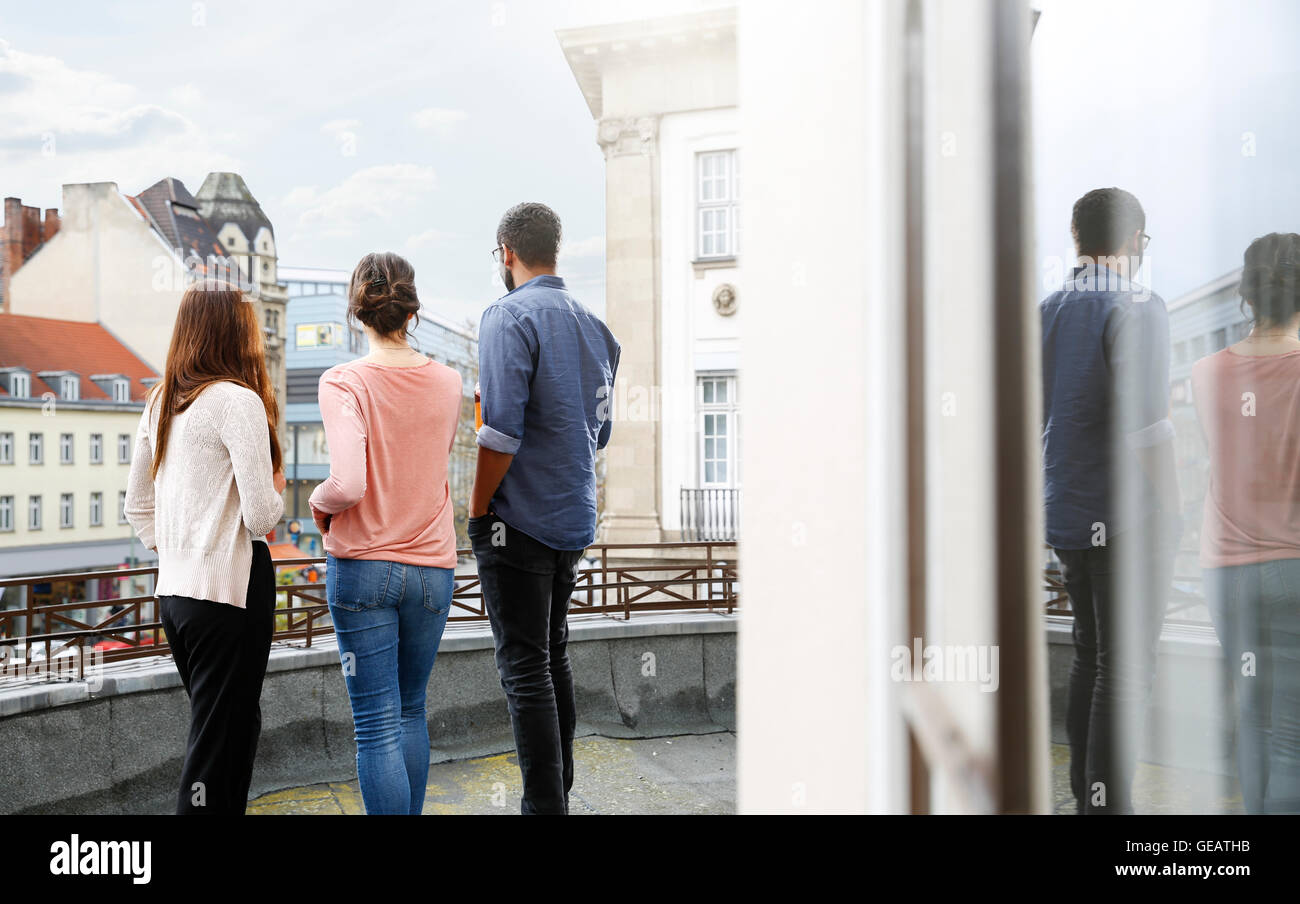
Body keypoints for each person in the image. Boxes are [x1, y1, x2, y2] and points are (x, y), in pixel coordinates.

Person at [470, 202, 620, 814]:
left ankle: (543, 805)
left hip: (519, 521)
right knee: (552, 655)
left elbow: (500, 434)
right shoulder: (597, 329)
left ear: (507, 252)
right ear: (554, 250)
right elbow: (600, 433)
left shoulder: (507, 316)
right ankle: (558, 792)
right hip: (572, 519)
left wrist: (477, 512)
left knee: (524, 667)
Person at [1040, 187, 1181, 814]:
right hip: (1128, 517)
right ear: (1131, 241)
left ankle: (1086, 799)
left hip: (1068, 512)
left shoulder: (1047, 310)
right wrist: (1174, 508)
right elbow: (1147, 426)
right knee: (1124, 671)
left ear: (1078, 238)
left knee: (1090, 655)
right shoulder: (1139, 306)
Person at [309, 251, 463, 815]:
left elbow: (347, 483)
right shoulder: (450, 381)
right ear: (411, 310)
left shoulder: (343, 381)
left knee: (376, 726)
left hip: (364, 567)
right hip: (432, 570)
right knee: (411, 711)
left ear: (357, 310)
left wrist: (317, 504)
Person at [124, 280, 286, 815]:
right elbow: (260, 516)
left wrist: (182, 550)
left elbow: (136, 507)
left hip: (177, 594)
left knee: (227, 732)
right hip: (230, 593)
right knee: (217, 747)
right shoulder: (237, 401)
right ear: (237, 333)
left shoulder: (159, 401)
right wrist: (278, 490)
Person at [1192, 232, 1300, 814]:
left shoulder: (1206, 370)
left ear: (1248, 294)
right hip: (1292, 566)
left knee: (1254, 718)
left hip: (1224, 571)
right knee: (1293, 736)